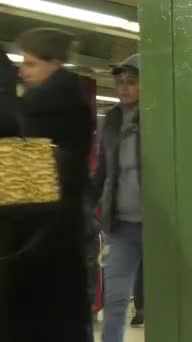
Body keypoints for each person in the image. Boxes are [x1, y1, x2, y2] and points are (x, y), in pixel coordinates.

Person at [2, 28, 93, 342]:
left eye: (30, 63)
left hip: (40, 252)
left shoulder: (40, 112)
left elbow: (23, 203)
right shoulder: (59, 105)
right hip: (57, 248)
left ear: (55, 64)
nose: (22, 71)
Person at [89, 53, 143, 342]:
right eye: (120, 83)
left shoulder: (162, 116)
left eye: (131, 82)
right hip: (120, 225)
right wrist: (89, 203)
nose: (124, 88)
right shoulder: (112, 119)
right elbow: (102, 169)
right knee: (116, 297)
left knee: (167, 295)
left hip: (159, 224)